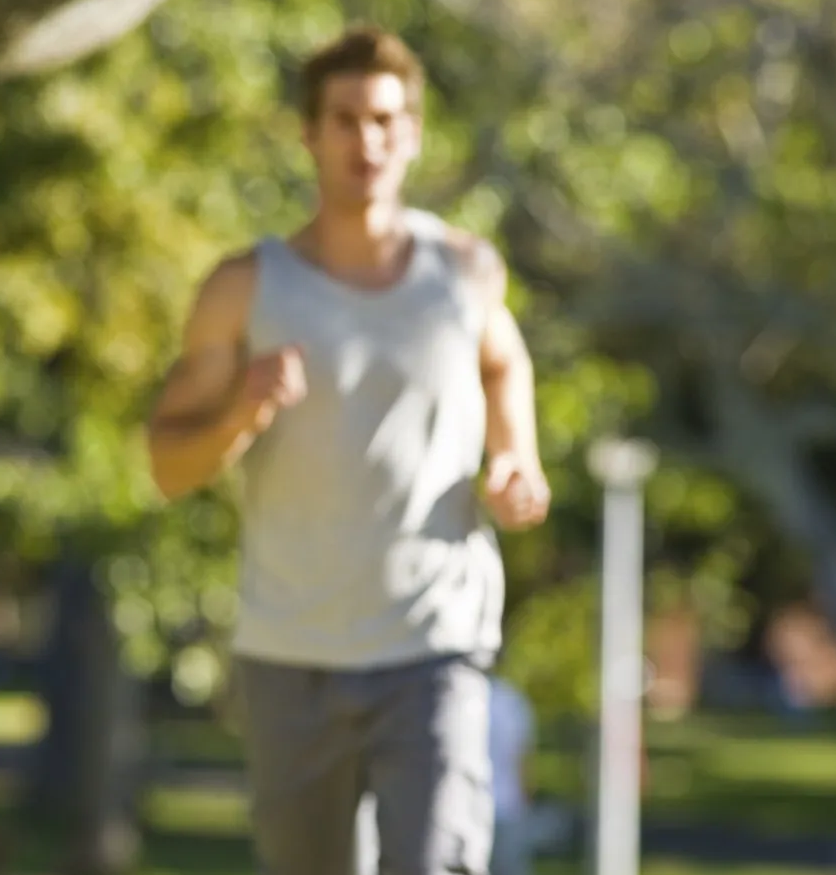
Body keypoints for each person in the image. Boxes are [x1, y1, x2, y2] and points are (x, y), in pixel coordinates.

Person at [145, 26, 551, 875]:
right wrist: (242, 414)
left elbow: (504, 362)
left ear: (412, 132)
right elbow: (167, 464)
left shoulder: (467, 272)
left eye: (384, 120)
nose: (366, 141)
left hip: (434, 643)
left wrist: (518, 458)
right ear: (310, 134)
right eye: (345, 120)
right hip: (292, 653)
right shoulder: (246, 288)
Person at [487, 673, 536, 875]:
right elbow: (524, 758)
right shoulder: (512, 699)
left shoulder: (511, 699)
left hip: (503, 806)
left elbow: (523, 758)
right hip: (506, 805)